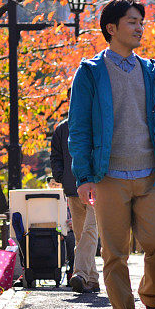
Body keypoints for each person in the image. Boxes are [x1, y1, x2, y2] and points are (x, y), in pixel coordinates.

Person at [68, 0, 155, 309]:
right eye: (132, 22)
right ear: (111, 28)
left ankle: (151, 297)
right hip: (108, 177)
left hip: (151, 175)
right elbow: (80, 128)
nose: (138, 28)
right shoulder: (89, 73)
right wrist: (84, 175)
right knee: (115, 254)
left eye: (141, 22)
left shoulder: (151, 72)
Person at [50, 118, 100, 293]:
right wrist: (61, 177)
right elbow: (56, 155)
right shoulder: (62, 128)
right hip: (72, 188)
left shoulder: (96, 122)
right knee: (81, 235)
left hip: (95, 186)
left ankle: (80, 274)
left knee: (89, 230)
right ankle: (92, 279)